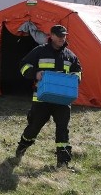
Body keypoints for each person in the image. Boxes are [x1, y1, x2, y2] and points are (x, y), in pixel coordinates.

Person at [14, 24, 82, 168]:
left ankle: (63, 161)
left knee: (62, 130)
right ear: (51, 36)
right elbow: (23, 65)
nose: (62, 38)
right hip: (41, 99)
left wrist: (76, 78)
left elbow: (77, 71)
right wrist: (35, 74)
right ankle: (22, 146)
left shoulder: (70, 56)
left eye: (64, 36)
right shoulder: (39, 51)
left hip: (62, 100)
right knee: (33, 127)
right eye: (59, 36)